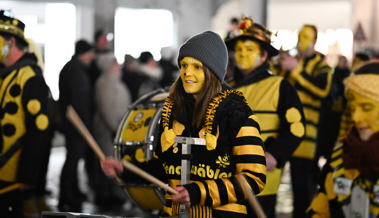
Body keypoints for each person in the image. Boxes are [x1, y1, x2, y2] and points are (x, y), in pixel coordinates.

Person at [101, 31, 266, 218]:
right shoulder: (173, 112)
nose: (187, 72)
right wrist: (126, 169)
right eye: (184, 65)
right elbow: (164, 167)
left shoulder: (238, 115)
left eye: (197, 67)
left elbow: (254, 178)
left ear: (213, 72)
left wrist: (199, 192)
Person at [225, 17, 305, 218]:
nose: (242, 54)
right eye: (239, 49)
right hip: (225, 180)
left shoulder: (280, 86)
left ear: (263, 56)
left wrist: (275, 156)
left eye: (249, 49)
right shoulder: (226, 88)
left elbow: (296, 128)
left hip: (262, 180)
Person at [307, 61, 379, 217]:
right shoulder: (340, 154)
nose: (356, 117)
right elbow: (323, 205)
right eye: (353, 108)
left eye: (366, 107)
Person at [277, 24, 333, 218]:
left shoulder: (322, 66)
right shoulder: (293, 61)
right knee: (274, 184)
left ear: (315, 40)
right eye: (300, 35)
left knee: (302, 187)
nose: (302, 39)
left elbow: (322, 90)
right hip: (283, 133)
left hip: (307, 136)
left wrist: (296, 70)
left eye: (307, 36)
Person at [0, 11, 50, 217]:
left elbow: (39, 133)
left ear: (10, 42)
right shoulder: (5, 74)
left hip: (13, 176)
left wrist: (27, 177)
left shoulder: (31, 78)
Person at [58, 39, 94, 212]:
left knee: (74, 159)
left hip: (75, 123)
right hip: (75, 124)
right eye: (90, 52)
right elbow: (78, 102)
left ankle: (74, 191)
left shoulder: (75, 68)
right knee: (72, 160)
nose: (92, 56)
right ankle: (66, 196)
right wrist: (84, 125)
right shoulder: (75, 71)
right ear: (84, 53)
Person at [92, 53, 131, 206]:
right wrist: (115, 128)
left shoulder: (115, 80)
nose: (118, 66)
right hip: (107, 130)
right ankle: (105, 195)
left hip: (116, 130)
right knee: (107, 161)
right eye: (114, 63)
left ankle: (114, 194)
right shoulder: (105, 82)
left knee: (113, 160)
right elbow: (106, 108)